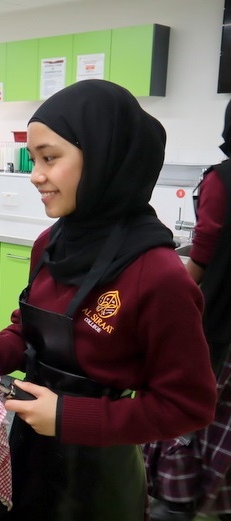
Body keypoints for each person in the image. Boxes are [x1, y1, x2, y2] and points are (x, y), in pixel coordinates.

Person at [0, 80, 216, 521]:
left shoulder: (156, 274)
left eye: (50, 158)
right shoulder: (50, 244)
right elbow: (28, 332)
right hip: (26, 456)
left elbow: (187, 405)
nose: (35, 174)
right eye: (34, 159)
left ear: (101, 159)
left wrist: (70, 417)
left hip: (99, 481)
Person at [143, 99, 231, 521]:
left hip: (220, 318)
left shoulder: (223, 176)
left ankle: (178, 495)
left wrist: (175, 287)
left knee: (193, 406)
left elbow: (206, 246)